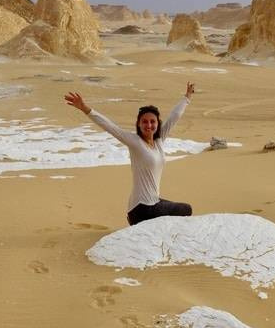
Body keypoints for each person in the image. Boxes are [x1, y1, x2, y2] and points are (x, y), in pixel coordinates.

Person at [64, 82, 195, 225]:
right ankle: (137, 223)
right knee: (186, 209)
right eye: (144, 122)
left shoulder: (158, 141)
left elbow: (174, 116)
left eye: (152, 121)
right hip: (142, 209)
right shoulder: (135, 142)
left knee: (178, 209)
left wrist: (187, 97)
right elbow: (109, 126)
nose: (149, 125)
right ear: (138, 124)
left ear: (158, 123)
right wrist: (85, 108)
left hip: (152, 203)